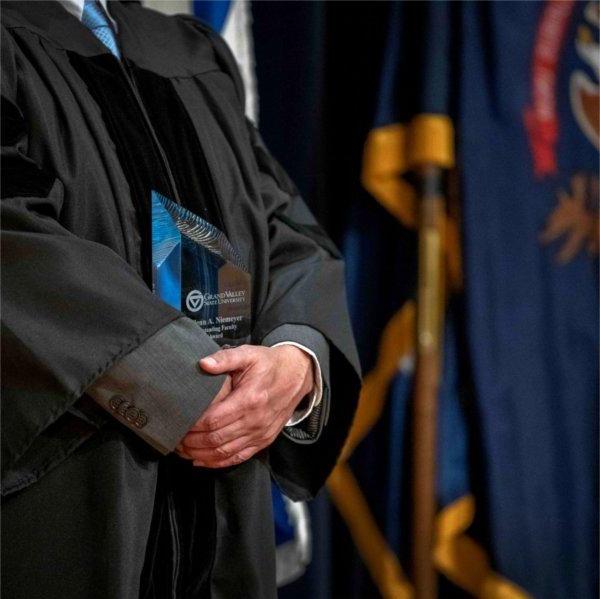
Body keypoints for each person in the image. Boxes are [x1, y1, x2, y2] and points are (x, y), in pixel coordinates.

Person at [0, 1, 361, 598]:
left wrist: (296, 360)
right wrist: (180, 384)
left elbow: (285, 229)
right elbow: (16, 243)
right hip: (72, 496)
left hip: (226, 495)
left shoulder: (189, 52)